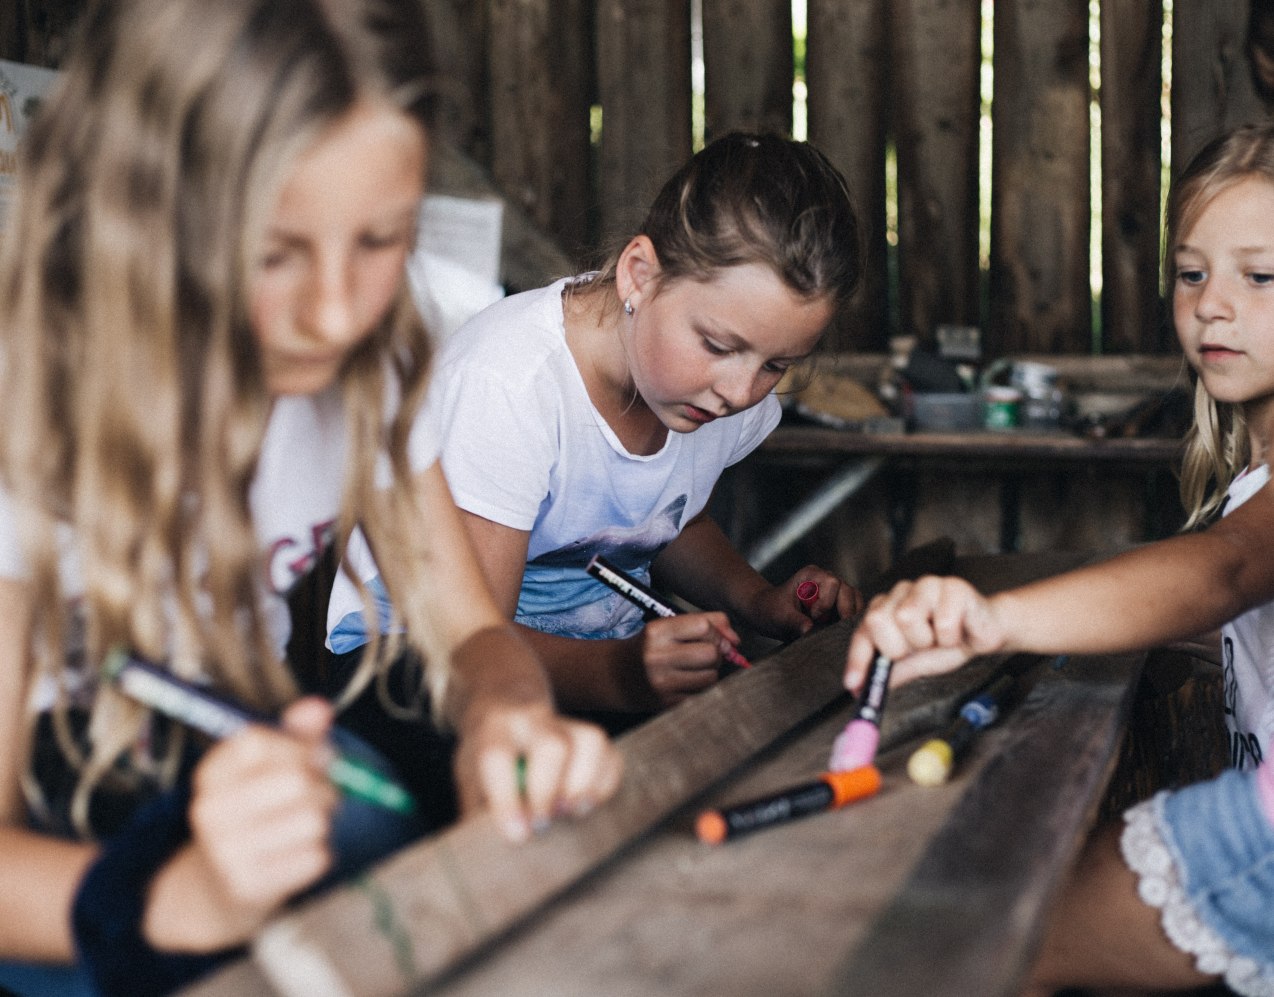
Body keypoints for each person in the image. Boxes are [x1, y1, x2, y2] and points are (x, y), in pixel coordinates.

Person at [0, 0, 621, 994]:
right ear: (138, 212)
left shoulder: (371, 360)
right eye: (272, 253)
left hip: (233, 788)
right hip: (63, 880)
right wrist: (168, 899)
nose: (334, 311)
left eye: (380, 239)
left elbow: (466, 632)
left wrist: (507, 711)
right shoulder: (27, 421)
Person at [845, 123, 1274, 996]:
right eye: (1191, 273)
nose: (1213, 305)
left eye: (1261, 276)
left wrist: (994, 619)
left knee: (996, 940)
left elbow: (1226, 569)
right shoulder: (1252, 467)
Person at [327, 132, 867, 719]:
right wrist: (621, 673)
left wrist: (758, 599)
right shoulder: (511, 384)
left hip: (584, 666)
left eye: (776, 365)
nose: (740, 392)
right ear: (639, 274)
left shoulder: (708, 395)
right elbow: (474, 641)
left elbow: (663, 519)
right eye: (716, 344)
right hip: (414, 674)